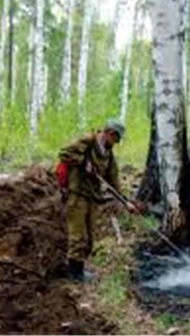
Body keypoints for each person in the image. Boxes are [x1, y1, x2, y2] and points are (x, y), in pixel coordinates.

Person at [58, 120, 138, 282]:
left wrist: (125, 202)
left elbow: (113, 181)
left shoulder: (108, 154)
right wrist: (83, 163)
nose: (116, 143)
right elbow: (64, 153)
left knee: (89, 237)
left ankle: (77, 267)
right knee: (78, 235)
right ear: (110, 133)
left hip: (93, 197)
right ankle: (75, 273)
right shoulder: (88, 140)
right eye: (116, 139)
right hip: (77, 194)